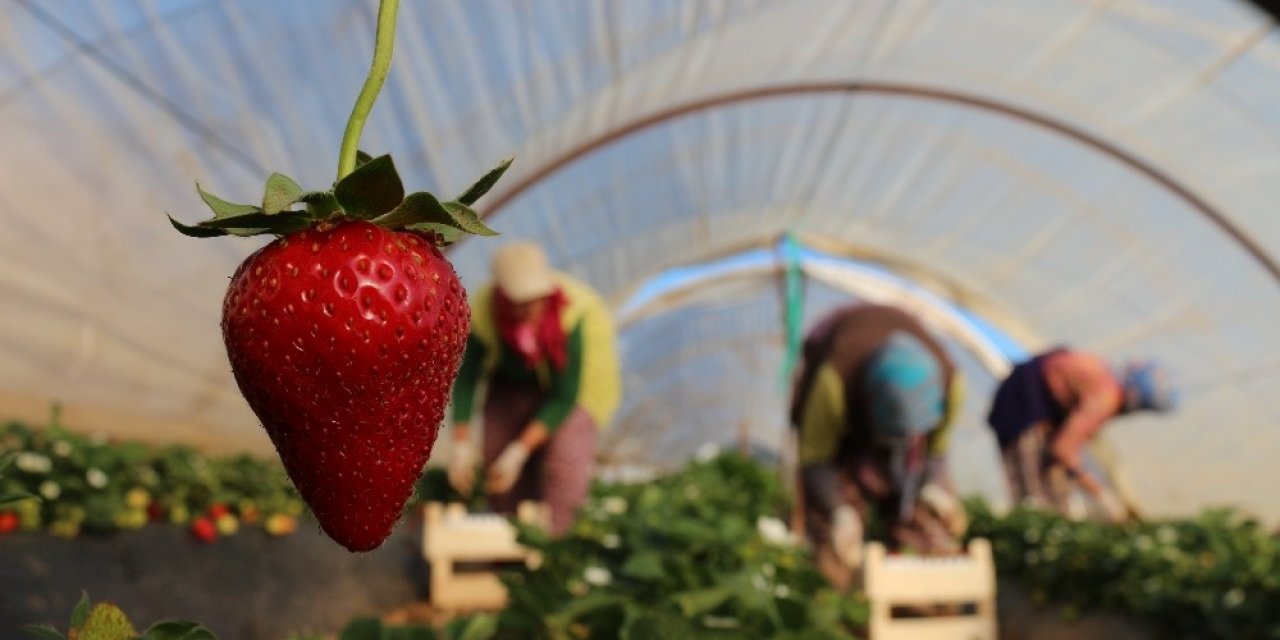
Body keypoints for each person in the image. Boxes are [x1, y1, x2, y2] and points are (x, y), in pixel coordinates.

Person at [790, 303, 968, 590]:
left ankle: (920, 603)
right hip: (843, 446)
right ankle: (840, 608)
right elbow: (814, 457)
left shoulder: (951, 381)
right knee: (835, 540)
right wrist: (839, 512)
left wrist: (933, 486)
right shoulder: (834, 379)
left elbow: (937, 449)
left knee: (931, 526)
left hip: (914, 457)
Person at [447, 242, 621, 535]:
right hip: (512, 384)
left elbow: (564, 397)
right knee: (497, 460)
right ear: (501, 294)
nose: (525, 309)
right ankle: (509, 542)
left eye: (532, 301)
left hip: (574, 392)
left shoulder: (577, 313)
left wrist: (519, 451)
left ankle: (556, 548)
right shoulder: (485, 309)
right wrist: (461, 442)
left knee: (564, 463)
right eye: (515, 301)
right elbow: (467, 378)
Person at [986, 348, 1177, 522]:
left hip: (1033, 397)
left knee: (1055, 486)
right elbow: (1063, 449)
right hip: (1022, 406)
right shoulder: (1108, 397)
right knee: (1034, 497)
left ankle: (1053, 528)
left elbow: (1076, 440)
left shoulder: (1104, 382)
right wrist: (1099, 493)